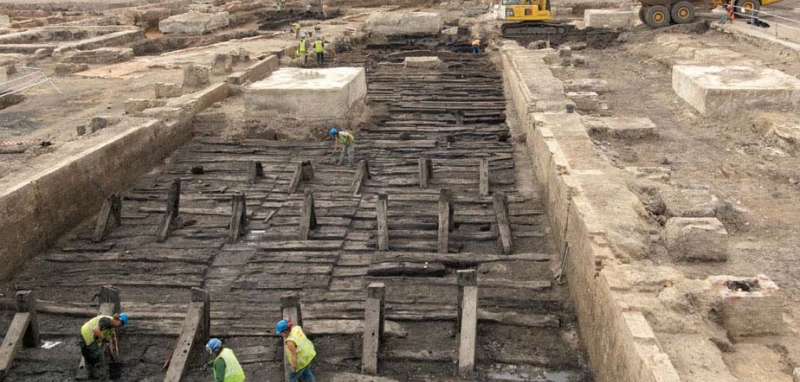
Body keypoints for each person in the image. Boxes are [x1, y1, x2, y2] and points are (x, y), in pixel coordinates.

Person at [79, 313, 128, 379]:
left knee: (88, 356)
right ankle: (102, 377)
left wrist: (111, 353)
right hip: (87, 334)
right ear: (118, 320)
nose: (119, 326)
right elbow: (95, 329)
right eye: (121, 324)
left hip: (84, 333)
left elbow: (108, 341)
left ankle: (91, 376)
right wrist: (104, 339)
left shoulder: (111, 327)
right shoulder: (107, 322)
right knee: (98, 357)